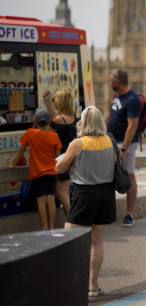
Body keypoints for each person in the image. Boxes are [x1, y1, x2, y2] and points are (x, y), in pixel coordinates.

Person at [56, 106, 116, 297]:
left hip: (84, 194)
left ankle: (70, 284)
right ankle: (93, 286)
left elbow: (59, 168)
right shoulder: (110, 141)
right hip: (106, 194)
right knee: (97, 242)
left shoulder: (78, 143)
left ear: (83, 122)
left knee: (71, 240)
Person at [4, 109, 61, 229]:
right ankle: (51, 227)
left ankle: (44, 227)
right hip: (52, 172)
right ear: (49, 121)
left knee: (41, 200)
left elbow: (21, 149)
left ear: (34, 121)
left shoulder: (30, 133)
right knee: (51, 199)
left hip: (37, 172)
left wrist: (13, 164)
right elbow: (58, 156)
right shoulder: (54, 136)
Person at [106, 68, 141, 228]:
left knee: (129, 176)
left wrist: (124, 149)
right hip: (111, 140)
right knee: (107, 175)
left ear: (116, 82)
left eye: (110, 80)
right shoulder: (117, 96)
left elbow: (132, 127)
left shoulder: (133, 99)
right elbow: (110, 115)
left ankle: (129, 214)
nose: (109, 83)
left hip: (125, 143)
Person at [43, 88, 77, 217]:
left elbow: (46, 133)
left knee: (62, 194)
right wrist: (48, 103)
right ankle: (73, 222)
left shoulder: (59, 120)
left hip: (59, 159)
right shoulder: (71, 117)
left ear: (61, 102)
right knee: (64, 193)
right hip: (68, 158)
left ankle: (73, 223)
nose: (54, 103)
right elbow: (56, 117)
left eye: (55, 100)